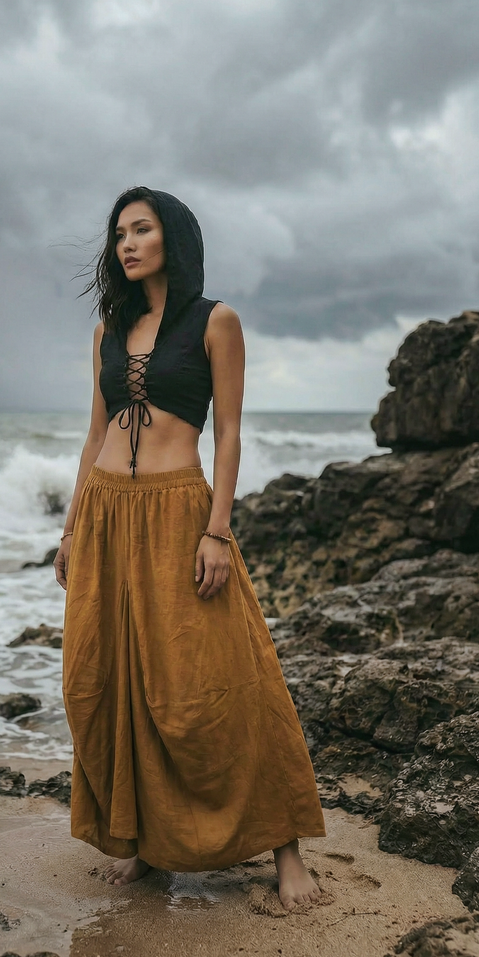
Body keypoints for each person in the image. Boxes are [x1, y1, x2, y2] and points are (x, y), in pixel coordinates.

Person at [54, 187, 326, 909]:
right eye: (119, 234)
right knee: (105, 678)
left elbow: (229, 432)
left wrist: (217, 529)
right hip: (108, 514)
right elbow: (94, 435)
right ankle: (141, 838)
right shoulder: (108, 329)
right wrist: (73, 526)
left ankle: (287, 847)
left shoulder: (216, 321)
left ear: (172, 236)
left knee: (218, 677)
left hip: (179, 510)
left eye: (141, 229)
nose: (127, 244)